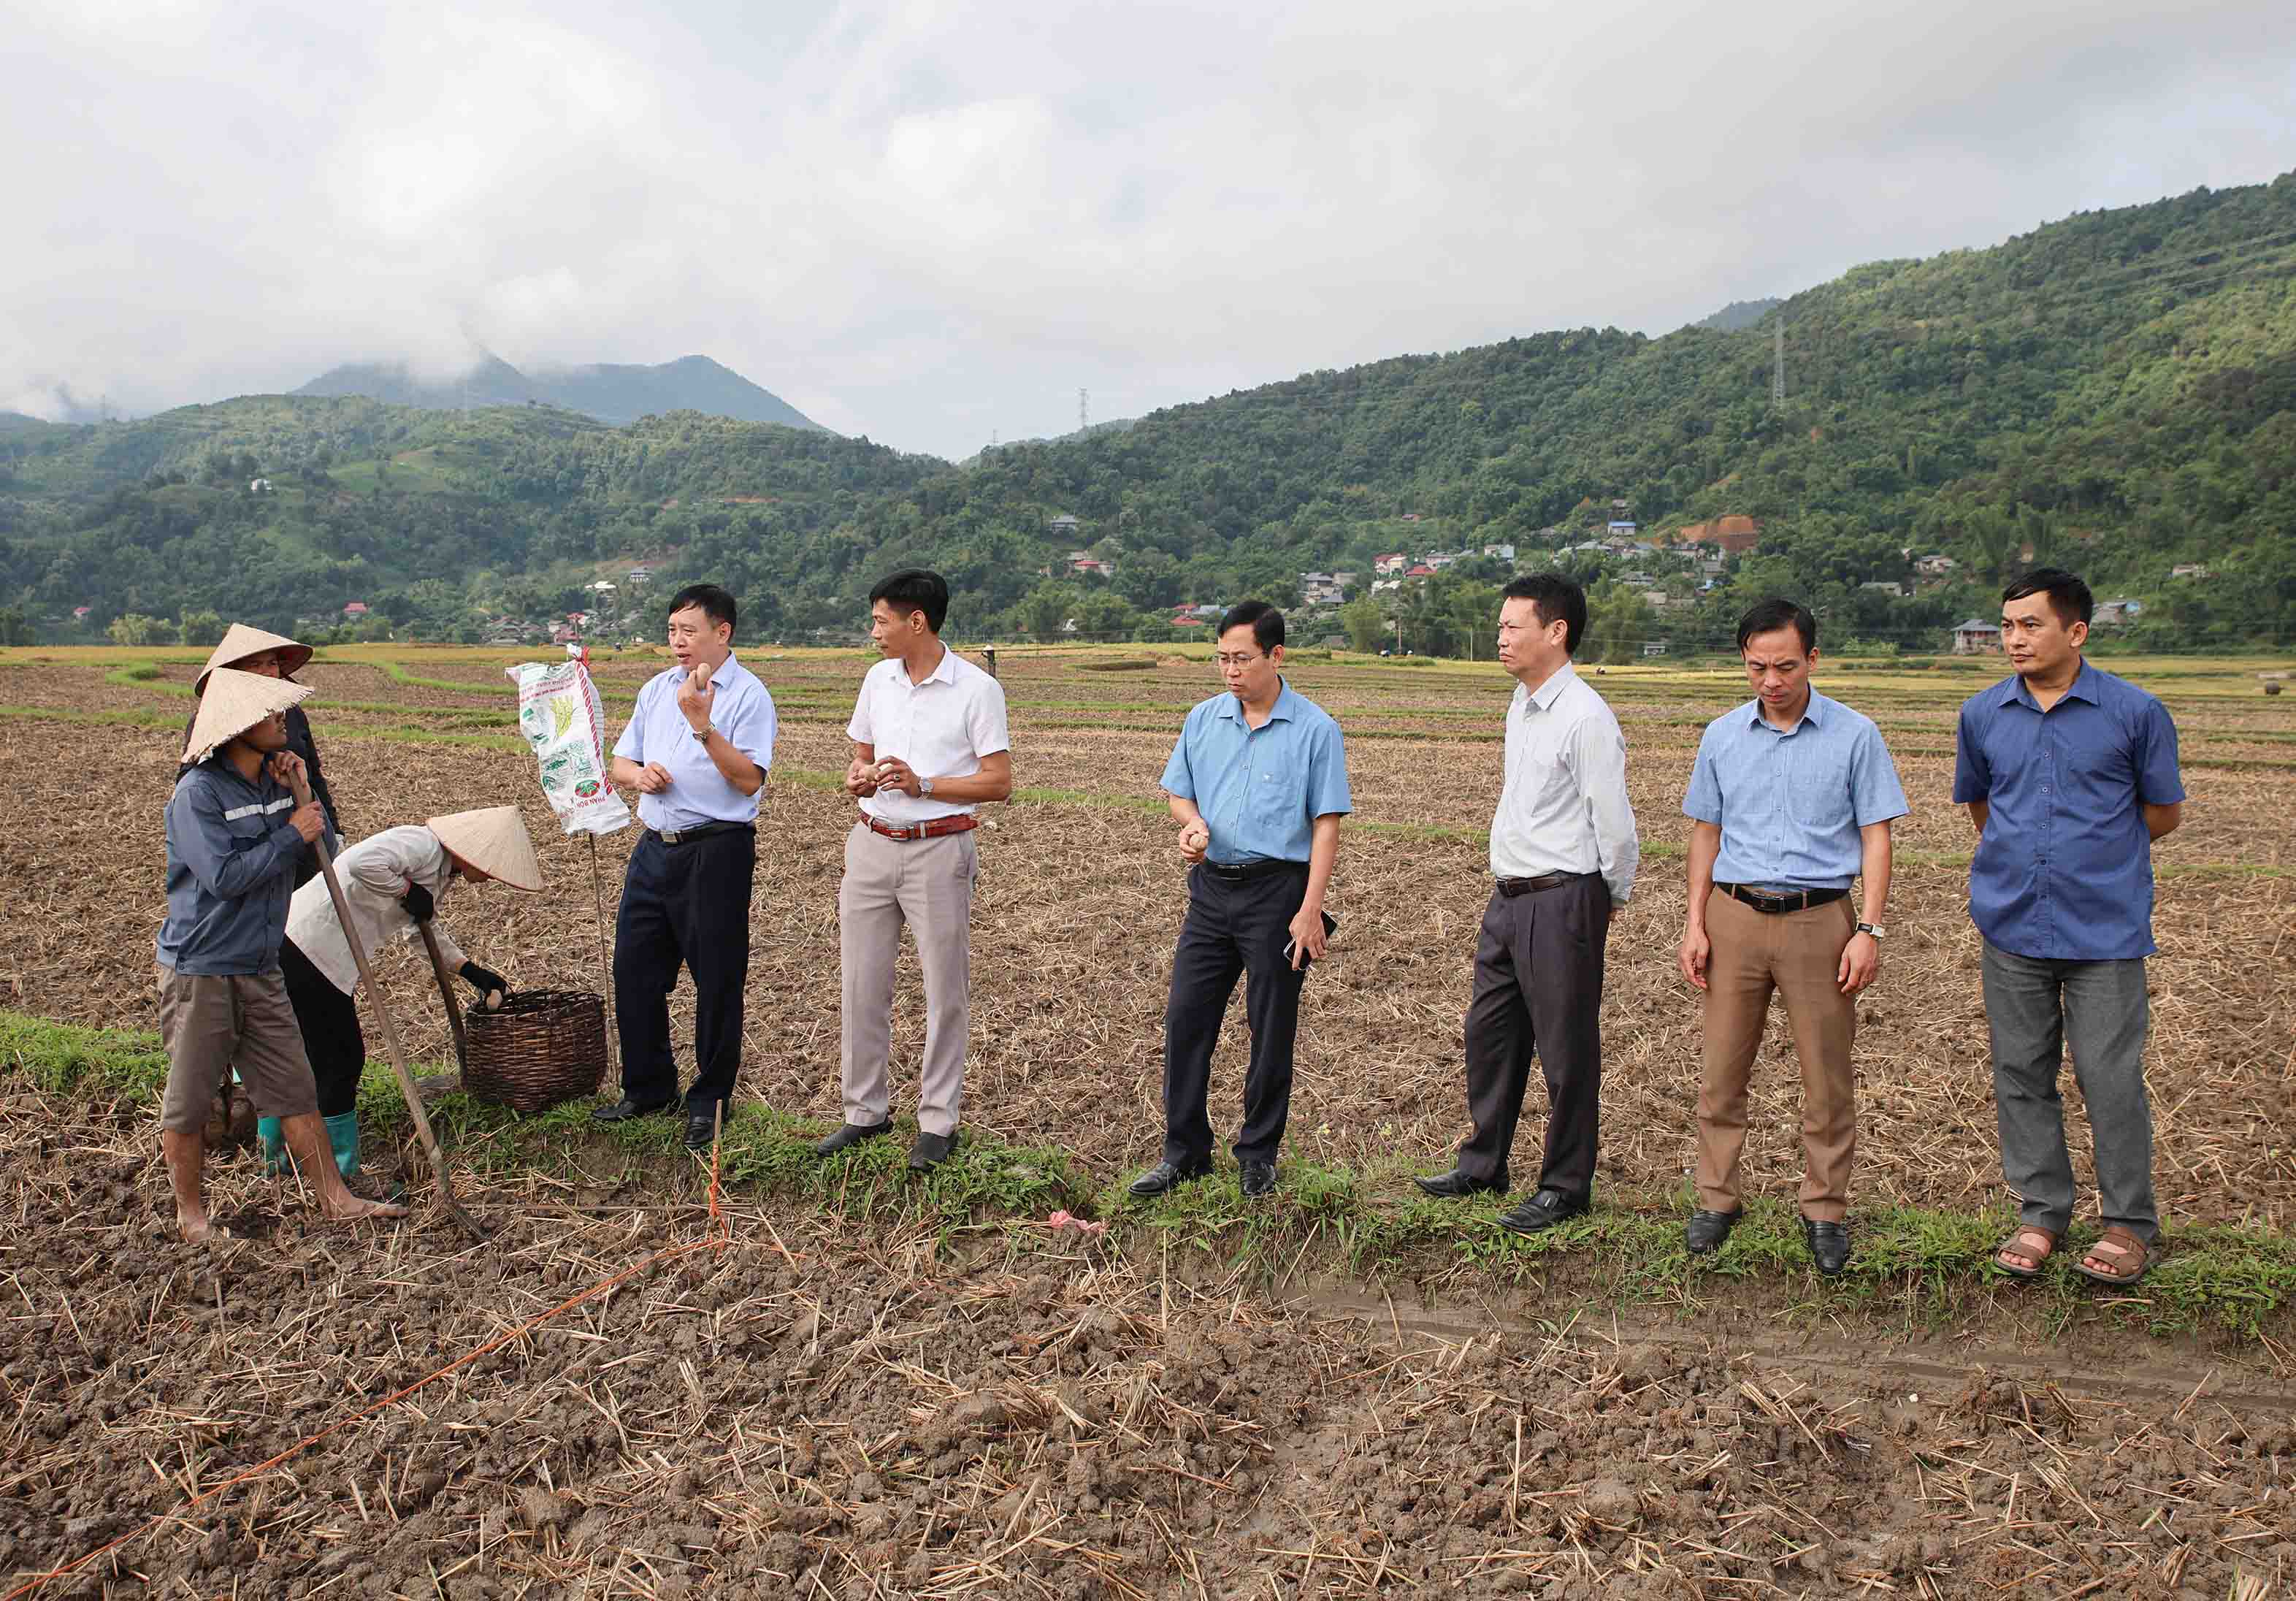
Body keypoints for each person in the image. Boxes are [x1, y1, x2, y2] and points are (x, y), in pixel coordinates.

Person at [1954, 569, 2184, 1287]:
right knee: (2021, 1073)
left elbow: (2162, 813)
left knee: (2110, 1077)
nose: (2014, 639)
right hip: (2012, 923)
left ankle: (2126, 1224)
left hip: (2104, 929)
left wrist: (2096, 857)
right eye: (2008, 626)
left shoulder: (2135, 712)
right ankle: (2042, 1210)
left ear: (2077, 631)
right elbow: (1983, 807)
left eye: (2031, 624)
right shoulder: (1983, 713)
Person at [1677, 599, 1905, 1276]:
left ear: (1812, 659)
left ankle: (1825, 1210)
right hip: (1734, 916)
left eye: (1784, 665)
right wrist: (1695, 921)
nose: (1770, 680)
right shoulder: (1721, 735)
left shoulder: (1856, 735)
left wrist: (1869, 927)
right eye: (1756, 667)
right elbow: (1705, 832)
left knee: (1827, 1077)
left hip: (1820, 921)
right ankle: (1717, 1200)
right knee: (1721, 1072)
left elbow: (1876, 835)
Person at [1416, 576, 1639, 1234]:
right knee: (1490, 1034)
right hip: (1509, 898)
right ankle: (1484, 1163)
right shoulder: (1523, 702)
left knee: (1567, 1049)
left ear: (1556, 630)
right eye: (1502, 625)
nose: (1501, 636)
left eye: (1514, 626)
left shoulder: (1586, 717)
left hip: (1563, 897)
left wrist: (1602, 901)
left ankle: (1567, 1185)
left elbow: (1617, 828)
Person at [157, 668, 405, 1242]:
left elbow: (319, 851)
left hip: (262, 965)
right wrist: (291, 831)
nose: (283, 721)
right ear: (237, 726)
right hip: (203, 970)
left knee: (296, 1090)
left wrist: (301, 791)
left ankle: (335, 1198)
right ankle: (191, 1216)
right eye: (271, 714)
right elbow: (222, 877)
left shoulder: (275, 787)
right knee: (191, 1099)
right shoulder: (197, 795)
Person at [1129, 601, 1352, 1201]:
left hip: (1278, 892)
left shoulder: (1315, 729)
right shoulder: (1203, 720)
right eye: (1222, 658)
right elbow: (1179, 794)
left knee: (1270, 1024)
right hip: (1211, 890)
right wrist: (1192, 825)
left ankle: (1258, 1154)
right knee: (1186, 1018)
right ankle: (1185, 1153)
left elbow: (1326, 826)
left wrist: (1310, 909)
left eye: (1242, 659)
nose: (1230, 670)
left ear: (1276, 656)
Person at [816, 570, 1011, 1172]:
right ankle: (865, 1111)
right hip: (871, 842)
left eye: (881, 620)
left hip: (939, 848)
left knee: (943, 990)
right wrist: (858, 775)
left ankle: (938, 1120)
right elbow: (862, 756)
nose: (874, 631)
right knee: (862, 982)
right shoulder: (877, 680)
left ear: (916, 621)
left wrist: (926, 784)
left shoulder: (977, 690)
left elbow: (998, 781)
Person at [593, 584, 776, 1151]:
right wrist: (637, 776)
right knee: (634, 968)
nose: (677, 642)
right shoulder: (656, 689)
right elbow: (622, 760)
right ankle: (648, 1087)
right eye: (672, 630)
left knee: (717, 978)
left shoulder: (748, 696)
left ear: (722, 633)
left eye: (688, 631)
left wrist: (702, 725)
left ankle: (710, 1101)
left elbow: (749, 779)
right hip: (655, 845)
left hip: (716, 849)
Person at [272, 808, 542, 1178]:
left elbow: (420, 929)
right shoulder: (421, 844)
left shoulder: (442, 871)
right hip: (307, 947)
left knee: (309, 1057)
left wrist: (472, 972)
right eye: (493, 868)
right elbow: (362, 863)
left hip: (323, 956)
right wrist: (407, 890)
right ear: (474, 853)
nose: (492, 878)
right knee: (340, 1060)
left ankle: (288, 1159)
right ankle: (335, 1172)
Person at [178, 624, 343, 1146]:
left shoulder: (290, 718)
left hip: (295, 875)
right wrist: (289, 835)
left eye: (276, 665)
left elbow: (314, 787)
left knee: (305, 1015)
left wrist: (320, 838)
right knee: (222, 1046)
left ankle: (305, 1147)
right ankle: (245, 1121)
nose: (272, 675)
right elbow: (213, 844)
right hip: (239, 903)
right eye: (259, 666)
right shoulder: (207, 752)